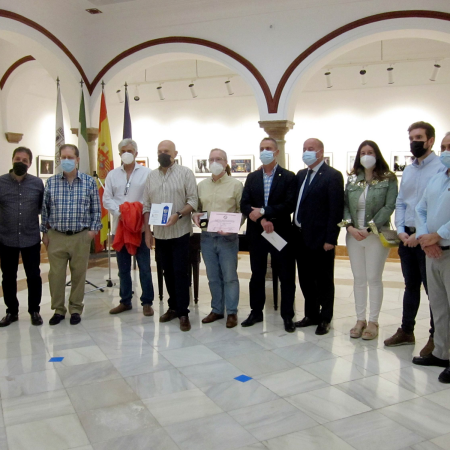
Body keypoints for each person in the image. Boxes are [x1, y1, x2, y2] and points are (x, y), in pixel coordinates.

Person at [384, 122, 446, 354]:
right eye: (411, 138)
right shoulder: (409, 170)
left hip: (429, 239)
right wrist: (401, 229)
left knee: (434, 292)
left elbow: (432, 207)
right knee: (410, 286)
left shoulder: (441, 168)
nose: (414, 142)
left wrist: (419, 236)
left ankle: (436, 337)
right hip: (407, 238)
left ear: (430, 141)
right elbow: (402, 202)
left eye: (419, 137)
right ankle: (406, 330)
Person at [341, 140, 398, 339]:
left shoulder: (388, 178)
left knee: (373, 278)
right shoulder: (352, 179)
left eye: (370, 152)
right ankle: (360, 320)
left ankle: (373, 321)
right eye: (363, 152)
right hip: (354, 235)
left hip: (376, 235)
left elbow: (389, 206)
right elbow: (345, 205)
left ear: (377, 155)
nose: (367, 156)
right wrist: (349, 226)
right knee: (358, 278)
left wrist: (369, 228)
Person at [240, 137, 297, 333]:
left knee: (286, 275)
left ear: (277, 152)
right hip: (257, 233)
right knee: (257, 274)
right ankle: (256, 312)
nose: (265, 151)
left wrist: (265, 212)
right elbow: (245, 204)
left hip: (281, 232)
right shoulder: (252, 177)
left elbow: (289, 205)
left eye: (269, 148)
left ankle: (287, 315)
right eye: (262, 148)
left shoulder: (288, 177)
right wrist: (262, 220)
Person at [41, 144, 102, 325]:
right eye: (63, 157)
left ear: (77, 160)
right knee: (56, 276)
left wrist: (92, 231)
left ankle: (75, 308)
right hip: (57, 236)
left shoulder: (89, 182)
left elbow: (96, 209)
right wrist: (44, 232)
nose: (66, 160)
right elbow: (45, 209)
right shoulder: (51, 182)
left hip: (80, 236)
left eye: (70, 157)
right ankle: (58, 310)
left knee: (78, 275)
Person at [143, 140, 198, 332]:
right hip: (160, 234)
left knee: (180, 272)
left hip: (180, 231)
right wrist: (147, 231)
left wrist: (178, 215)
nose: (162, 154)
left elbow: (193, 201)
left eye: (166, 151)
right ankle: (173, 307)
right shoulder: (151, 176)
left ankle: (183, 313)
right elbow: (146, 206)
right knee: (167, 271)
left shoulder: (185, 173)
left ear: (175, 153)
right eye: (159, 151)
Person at [294, 138, 344, 335]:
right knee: (305, 279)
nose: (306, 152)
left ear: (321, 152)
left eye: (311, 149)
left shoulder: (332, 176)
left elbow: (336, 210)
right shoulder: (301, 175)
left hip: (321, 238)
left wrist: (331, 239)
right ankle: (311, 314)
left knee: (323, 280)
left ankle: (325, 317)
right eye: (304, 149)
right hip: (300, 236)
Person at [412, 133, 450, 383]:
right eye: (444, 147)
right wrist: (425, 237)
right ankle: (441, 353)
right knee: (439, 306)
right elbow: (420, 208)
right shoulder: (438, 177)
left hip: (448, 249)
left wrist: (439, 235)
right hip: (432, 252)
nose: (446, 151)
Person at [193, 149, 243, 328]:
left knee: (229, 277)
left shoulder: (236, 185)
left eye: (219, 159)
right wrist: (195, 215)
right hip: (207, 237)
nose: (214, 162)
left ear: (226, 162)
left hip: (227, 239)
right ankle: (217, 310)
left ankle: (232, 312)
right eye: (211, 159)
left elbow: (242, 211)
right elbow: (197, 209)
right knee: (213, 277)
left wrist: (233, 227)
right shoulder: (201, 186)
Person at [103, 139, 154, 316]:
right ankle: (125, 301)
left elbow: (150, 198)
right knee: (123, 268)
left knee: (144, 267)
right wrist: (123, 212)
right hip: (120, 227)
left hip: (140, 228)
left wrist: (135, 213)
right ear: (119, 154)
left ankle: (147, 302)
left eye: (130, 151)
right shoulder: (112, 175)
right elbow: (107, 198)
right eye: (123, 151)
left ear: (136, 153)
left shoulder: (147, 173)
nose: (126, 153)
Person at [0, 147, 44, 327]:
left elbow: (42, 208)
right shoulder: (1, 182)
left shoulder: (37, 183)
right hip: (6, 238)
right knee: (8, 277)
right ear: (12, 160)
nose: (20, 162)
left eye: (24, 160)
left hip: (31, 237)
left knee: (33, 276)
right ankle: (12, 311)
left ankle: (34, 310)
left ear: (30, 164)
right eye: (18, 159)